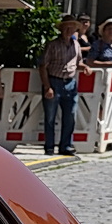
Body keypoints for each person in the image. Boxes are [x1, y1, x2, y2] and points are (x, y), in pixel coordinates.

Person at [40, 16, 82, 157]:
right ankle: (49, 146)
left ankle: (66, 146)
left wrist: (85, 67)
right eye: (66, 27)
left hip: (70, 83)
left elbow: (78, 63)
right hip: (54, 81)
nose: (69, 30)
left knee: (70, 116)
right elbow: (43, 66)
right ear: (61, 29)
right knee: (50, 118)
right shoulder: (52, 45)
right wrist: (47, 87)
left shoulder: (76, 45)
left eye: (72, 28)